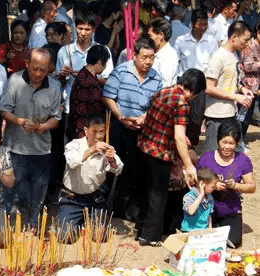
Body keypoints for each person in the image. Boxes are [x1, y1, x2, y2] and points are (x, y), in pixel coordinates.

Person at [136, 68, 205, 246]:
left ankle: (140, 229)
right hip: (160, 152)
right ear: (193, 90)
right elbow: (179, 137)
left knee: (146, 191)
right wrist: (189, 165)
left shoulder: (163, 91)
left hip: (145, 147)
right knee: (158, 195)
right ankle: (150, 236)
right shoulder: (182, 103)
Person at [103, 37, 162, 220]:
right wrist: (120, 116)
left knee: (131, 170)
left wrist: (145, 118)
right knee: (109, 167)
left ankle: (121, 211)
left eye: (151, 57)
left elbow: (156, 104)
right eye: (144, 57)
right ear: (135, 55)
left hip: (140, 130)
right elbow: (108, 97)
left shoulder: (156, 78)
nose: (148, 61)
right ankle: (101, 207)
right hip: (118, 126)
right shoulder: (120, 72)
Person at [0, 48, 61, 225]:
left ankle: (34, 222)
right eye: (35, 68)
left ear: (49, 68)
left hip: (41, 148)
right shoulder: (15, 80)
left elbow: (56, 118)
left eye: (43, 69)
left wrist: (44, 126)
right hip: (15, 146)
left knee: (39, 188)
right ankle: (6, 224)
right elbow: (4, 110)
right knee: (11, 186)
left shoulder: (55, 86)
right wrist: (20, 121)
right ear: (27, 64)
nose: (38, 73)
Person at [197, 122, 256, 248]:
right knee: (202, 239)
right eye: (224, 142)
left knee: (233, 242)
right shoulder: (207, 158)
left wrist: (235, 186)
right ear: (218, 141)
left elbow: (251, 187)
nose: (227, 147)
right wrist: (212, 186)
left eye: (231, 143)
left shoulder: (242, 160)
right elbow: (196, 182)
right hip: (207, 210)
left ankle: (221, 229)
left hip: (231, 210)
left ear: (236, 144)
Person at [58, 116, 123, 229]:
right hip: (72, 198)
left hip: (95, 199)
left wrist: (112, 160)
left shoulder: (107, 148)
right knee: (66, 236)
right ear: (86, 131)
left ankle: (87, 220)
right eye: (94, 132)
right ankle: (78, 220)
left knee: (100, 236)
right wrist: (92, 150)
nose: (98, 136)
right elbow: (73, 162)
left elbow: (118, 169)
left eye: (102, 132)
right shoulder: (74, 145)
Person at [204, 21, 254, 153]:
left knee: (229, 156)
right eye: (245, 40)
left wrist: (242, 89)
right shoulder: (218, 57)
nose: (247, 44)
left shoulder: (233, 56)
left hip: (230, 113)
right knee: (212, 156)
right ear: (234, 37)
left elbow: (231, 81)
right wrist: (235, 96)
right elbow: (208, 88)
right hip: (216, 115)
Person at [56, 9, 114, 116]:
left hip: (93, 108)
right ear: (75, 27)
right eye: (80, 28)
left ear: (93, 29)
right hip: (70, 107)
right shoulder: (64, 51)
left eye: (87, 29)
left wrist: (84, 76)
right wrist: (63, 75)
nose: (83, 33)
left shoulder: (102, 51)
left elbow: (108, 81)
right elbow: (57, 82)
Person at [174, 9, 217, 146]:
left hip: (201, 87)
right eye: (200, 24)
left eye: (206, 24)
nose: (203, 27)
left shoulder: (211, 41)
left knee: (197, 118)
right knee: (181, 116)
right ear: (193, 24)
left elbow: (214, 64)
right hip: (184, 86)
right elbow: (176, 64)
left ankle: (191, 145)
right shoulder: (181, 40)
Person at [67, 45, 109, 141]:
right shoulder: (89, 82)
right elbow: (97, 108)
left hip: (78, 128)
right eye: (105, 63)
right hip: (85, 133)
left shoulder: (83, 75)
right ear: (99, 61)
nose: (105, 67)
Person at [238, 22, 260, 140]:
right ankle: (238, 139)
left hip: (255, 86)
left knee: (248, 115)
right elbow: (247, 66)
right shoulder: (249, 46)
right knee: (243, 115)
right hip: (246, 85)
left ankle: (241, 139)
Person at [181, 167, 218, 232]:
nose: (214, 188)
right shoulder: (189, 196)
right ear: (203, 185)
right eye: (212, 187)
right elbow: (191, 211)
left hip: (203, 230)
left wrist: (210, 229)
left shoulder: (210, 197)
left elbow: (209, 215)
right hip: (189, 230)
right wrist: (201, 195)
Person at [148, 17, 179, 88]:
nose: (148, 39)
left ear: (161, 35)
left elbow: (165, 84)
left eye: (150, 36)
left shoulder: (168, 55)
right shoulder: (156, 52)